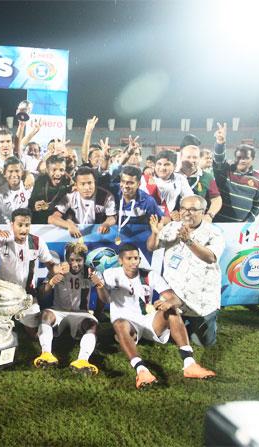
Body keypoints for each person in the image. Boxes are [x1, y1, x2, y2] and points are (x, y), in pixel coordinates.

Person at [94, 243, 216, 389]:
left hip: (148, 320)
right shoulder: (110, 274)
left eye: (136, 258)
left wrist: (169, 303)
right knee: (119, 324)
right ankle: (142, 370)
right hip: (126, 322)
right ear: (120, 260)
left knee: (172, 311)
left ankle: (189, 364)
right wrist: (100, 287)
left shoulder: (149, 275)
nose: (134, 262)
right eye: (129, 258)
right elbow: (105, 300)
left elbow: (176, 299)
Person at [147, 195, 225, 347]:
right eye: (183, 208)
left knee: (204, 343)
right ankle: (177, 326)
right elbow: (152, 247)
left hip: (200, 298)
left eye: (193, 209)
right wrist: (155, 233)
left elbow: (210, 257)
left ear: (203, 212)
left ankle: (199, 326)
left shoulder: (213, 233)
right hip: (173, 295)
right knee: (160, 337)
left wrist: (189, 241)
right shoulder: (172, 227)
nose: (187, 213)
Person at [0, 208, 62, 333]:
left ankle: (27, 321)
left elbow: (51, 266)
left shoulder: (37, 242)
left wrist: (58, 268)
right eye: (20, 225)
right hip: (3, 294)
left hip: (27, 295)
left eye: (27, 225)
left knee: (34, 333)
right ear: (12, 225)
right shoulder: (2, 240)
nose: (24, 229)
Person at [34, 242, 101, 374]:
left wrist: (99, 285)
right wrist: (52, 281)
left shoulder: (90, 271)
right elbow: (41, 294)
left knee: (93, 324)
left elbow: (105, 299)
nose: (75, 264)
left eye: (79, 260)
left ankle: (83, 360)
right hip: (58, 311)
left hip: (81, 314)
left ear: (84, 259)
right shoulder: (58, 269)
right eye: (71, 260)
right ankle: (46, 354)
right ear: (66, 259)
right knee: (46, 314)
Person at [212, 123, 259, 222]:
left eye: (246, 158)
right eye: (239, 157)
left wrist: (249, 221)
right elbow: (219, 159)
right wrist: (220, 142)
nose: (242, 160)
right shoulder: (225, 170)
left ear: (253, 159)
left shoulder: (258, 178)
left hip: (240, 227)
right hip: (218, 223)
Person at [48, 166, 116, 237]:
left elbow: (112, 217)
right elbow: (52, 218)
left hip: (98, 233)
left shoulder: (106, 196)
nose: (87, 188)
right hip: (77, 233)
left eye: (90, 183)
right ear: (76, 185)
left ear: (94, 182)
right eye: (82, 184)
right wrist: (68, 225)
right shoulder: (70, 196)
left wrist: (107, 223)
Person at [140, 150, 194, 217]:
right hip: (146, 219)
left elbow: (190, 198)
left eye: (167, 164)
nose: (162, 168)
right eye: (159, 164)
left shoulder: (180, 178)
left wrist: (181, 212)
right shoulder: (145, 179)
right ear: (155, 165)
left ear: (174, 166)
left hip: (167, 220)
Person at [177, 144, 222, 222]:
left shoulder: (207, 177)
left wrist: (210, 215)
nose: (192, 160)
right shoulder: (173, 176)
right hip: (175, 222)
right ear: (181, 158)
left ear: (199, 159)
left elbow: (216, 199)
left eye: (195, 157)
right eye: (188, 157)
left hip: (198, 222)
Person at [29, 155, 72, 224]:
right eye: (54, 170)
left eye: (61, 170)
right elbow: (30, 203)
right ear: (47, 170)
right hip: (40, 222)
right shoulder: (40, 181)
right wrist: (34, 206)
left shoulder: (69, 183)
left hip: (60, 223)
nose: (58, 174)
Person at [0, 156, 31, 224]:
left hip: (23, 229)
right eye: (10, 171)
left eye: (17, 171)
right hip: (4, 231)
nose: (14, 175)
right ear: (5, 173)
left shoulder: (29, 188)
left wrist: (29, 174)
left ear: (22, 172)